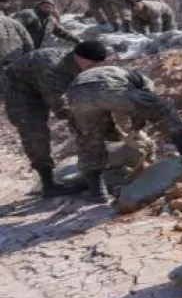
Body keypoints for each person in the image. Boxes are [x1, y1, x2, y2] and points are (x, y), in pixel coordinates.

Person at [63, 65, 182, 203]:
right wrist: (137, 127)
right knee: (162, 108)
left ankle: (97, 192)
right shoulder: (140, 79)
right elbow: (145, 101)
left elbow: (105, 123)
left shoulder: (111, 73)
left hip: (75, 95)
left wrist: (123, 134)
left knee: (88, 139)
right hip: (106, 89)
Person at [2, 39, 110, 196]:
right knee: (35, 133)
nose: (93, 68)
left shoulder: (78, 65)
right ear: (79, 56)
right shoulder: (52, 68)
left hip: (42, 83)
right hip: (20, 90)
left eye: (96, 64)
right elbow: (60, 109)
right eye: (91, 64)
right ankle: (48, 184)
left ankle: (90, 178)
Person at [14, 0, 79, 47]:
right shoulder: (28, 14)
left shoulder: (49, 21)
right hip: (17, 47)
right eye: (45, 6)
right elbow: (14, 26)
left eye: (50, 7)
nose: (48, 8)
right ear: (39, 6)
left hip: (32, 49)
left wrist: (77, 40)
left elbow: (61, 32)